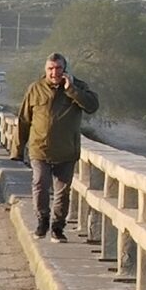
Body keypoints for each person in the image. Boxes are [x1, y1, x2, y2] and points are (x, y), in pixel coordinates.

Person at [12, 53, 99, 242]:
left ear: (65, 69)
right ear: (45, 70)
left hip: (66, 150)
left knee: (62, 192)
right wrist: (17, 150)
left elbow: (92, 106)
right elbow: (24, 120)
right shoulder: (35, 89)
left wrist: (72, 90)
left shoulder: (79, 87)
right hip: (39, 149)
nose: (54, 73)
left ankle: (57, 228)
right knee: (40, 184)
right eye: (50, 69)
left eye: (58, 68)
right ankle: (42, 220)